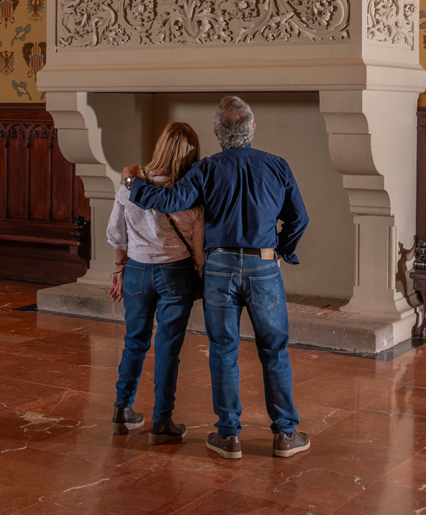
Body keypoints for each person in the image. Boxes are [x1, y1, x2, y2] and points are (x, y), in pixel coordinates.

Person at [124, 96, 311, 460]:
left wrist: (134, 183)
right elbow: (299, 219)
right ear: (252, 127)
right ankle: (285, 435)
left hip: (219, 268)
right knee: (274, 350)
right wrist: (281, 250)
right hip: (263, 266)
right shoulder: (278, 166)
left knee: (223, 350)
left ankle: (228, 437)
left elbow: (171, 201)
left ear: (215, 133)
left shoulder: (206, 169)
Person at [107, 122, 205, 444]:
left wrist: (119, 269)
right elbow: (199, 246)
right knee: (167, 349)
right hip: (175, 272)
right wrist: (203, 275)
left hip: (136, 270)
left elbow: (116, 234)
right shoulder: (189, 192)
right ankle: (161, 422)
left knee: (134, 342)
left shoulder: (130, 184)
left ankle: (122, 411)